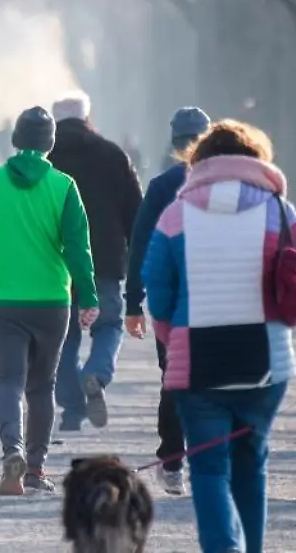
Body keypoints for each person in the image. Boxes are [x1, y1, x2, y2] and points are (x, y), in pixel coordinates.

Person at [143, 120, 296, 553]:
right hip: (264, 363)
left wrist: (174, 339)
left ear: (198, 162)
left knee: (207, 470)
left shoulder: (175, 214)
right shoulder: (279, 211)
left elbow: (158, 290)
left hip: (198, 366)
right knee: (251, 465)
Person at [0, 106, 99, 496]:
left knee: (8, 381)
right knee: (41, 387)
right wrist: (87, 296)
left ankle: (13, 450)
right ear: (50, 143)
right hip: (51, 300)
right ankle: (36, 470)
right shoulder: (64, 186)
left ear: (16, 139)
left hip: (4, 300)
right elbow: (78, 248)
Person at [124, 106, 211, 495]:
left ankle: (173, 461)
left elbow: (140, 244)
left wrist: (132, 302)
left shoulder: (162, 186)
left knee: (174, 379)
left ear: (174, 143)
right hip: (220, 297)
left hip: (171, 301)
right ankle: (210, 460)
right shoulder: (230, 184)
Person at [48, 90, 142, 432]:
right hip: (103, 259)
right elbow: (136, 211)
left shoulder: (43, 160)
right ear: (88, 117)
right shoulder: (112, 155)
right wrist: (137, 257)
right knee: (108, 325)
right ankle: (96, 375)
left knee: (62, 337)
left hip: (55, 264)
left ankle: (72, 410)